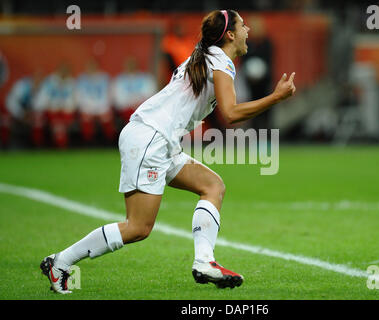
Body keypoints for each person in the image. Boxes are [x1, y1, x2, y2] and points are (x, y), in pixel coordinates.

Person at [40, 9, 296, 294]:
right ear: (231, 35)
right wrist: (276, 97)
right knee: (138, 227)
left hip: (157, 138)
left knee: (212, 186)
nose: (248, 29)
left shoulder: (206, 56)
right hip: (151, 138)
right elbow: (232, 113)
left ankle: (204, 262)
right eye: (243, 25)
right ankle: (60, 262)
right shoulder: (221, 61)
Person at [76, 59, 116, 145]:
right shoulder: (82, 79)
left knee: (106, 118)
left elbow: (109, 94)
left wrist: (103, 106)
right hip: (87, 107)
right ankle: (88, 142)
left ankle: (109, 142)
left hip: (102, 106)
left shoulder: (104, 78)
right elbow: (78, 96)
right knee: (86, 119)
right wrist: (86, 106)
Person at [111, 57, 157, 129]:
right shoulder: (119, 80)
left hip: (142, 111)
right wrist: (130, 103)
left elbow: (151, 96)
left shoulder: (146, 78)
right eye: (129, 64)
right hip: (125, 112)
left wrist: (137, 103)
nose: (131, 67)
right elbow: (117, 100)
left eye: (132, 64)